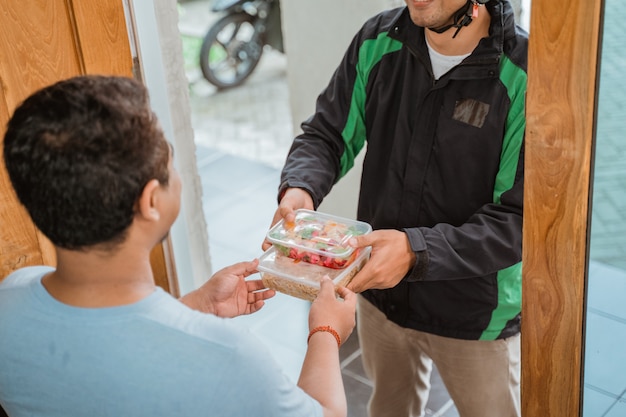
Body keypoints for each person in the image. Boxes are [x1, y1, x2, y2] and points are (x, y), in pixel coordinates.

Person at [0, 75, 356, 417]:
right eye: (171, 166)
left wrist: (194, 307)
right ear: (151, 201)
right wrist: (326, 331)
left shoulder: (10, 298)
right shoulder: (229, 358)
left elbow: (111, 350)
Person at [262, 0, 527, 416]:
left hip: (475, 314)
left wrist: (414, 252)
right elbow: (328, 133)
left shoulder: (523, 75)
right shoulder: (378, 40)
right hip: (377, 294)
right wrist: (300, 188)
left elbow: (518, 219)